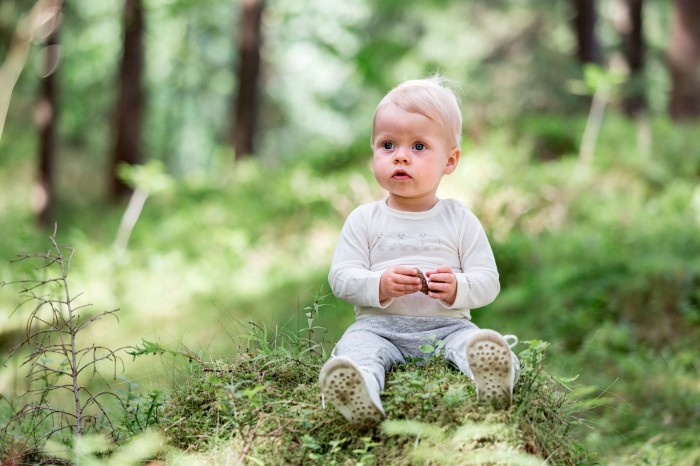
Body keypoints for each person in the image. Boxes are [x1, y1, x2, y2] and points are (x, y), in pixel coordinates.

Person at [318, 76, 519, 425]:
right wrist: (379, 283)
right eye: (388, 145)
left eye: (419, 147)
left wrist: (458, 287)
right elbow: (341, 278)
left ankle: (495, 379)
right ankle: (357, 392)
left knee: (474, 343)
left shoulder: (459, 219)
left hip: (447, 328)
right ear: (373, 150)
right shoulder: (364, 219)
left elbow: (488, 281)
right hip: (379, 327)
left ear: (450, 160)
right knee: (359, 350)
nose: (401, 157)